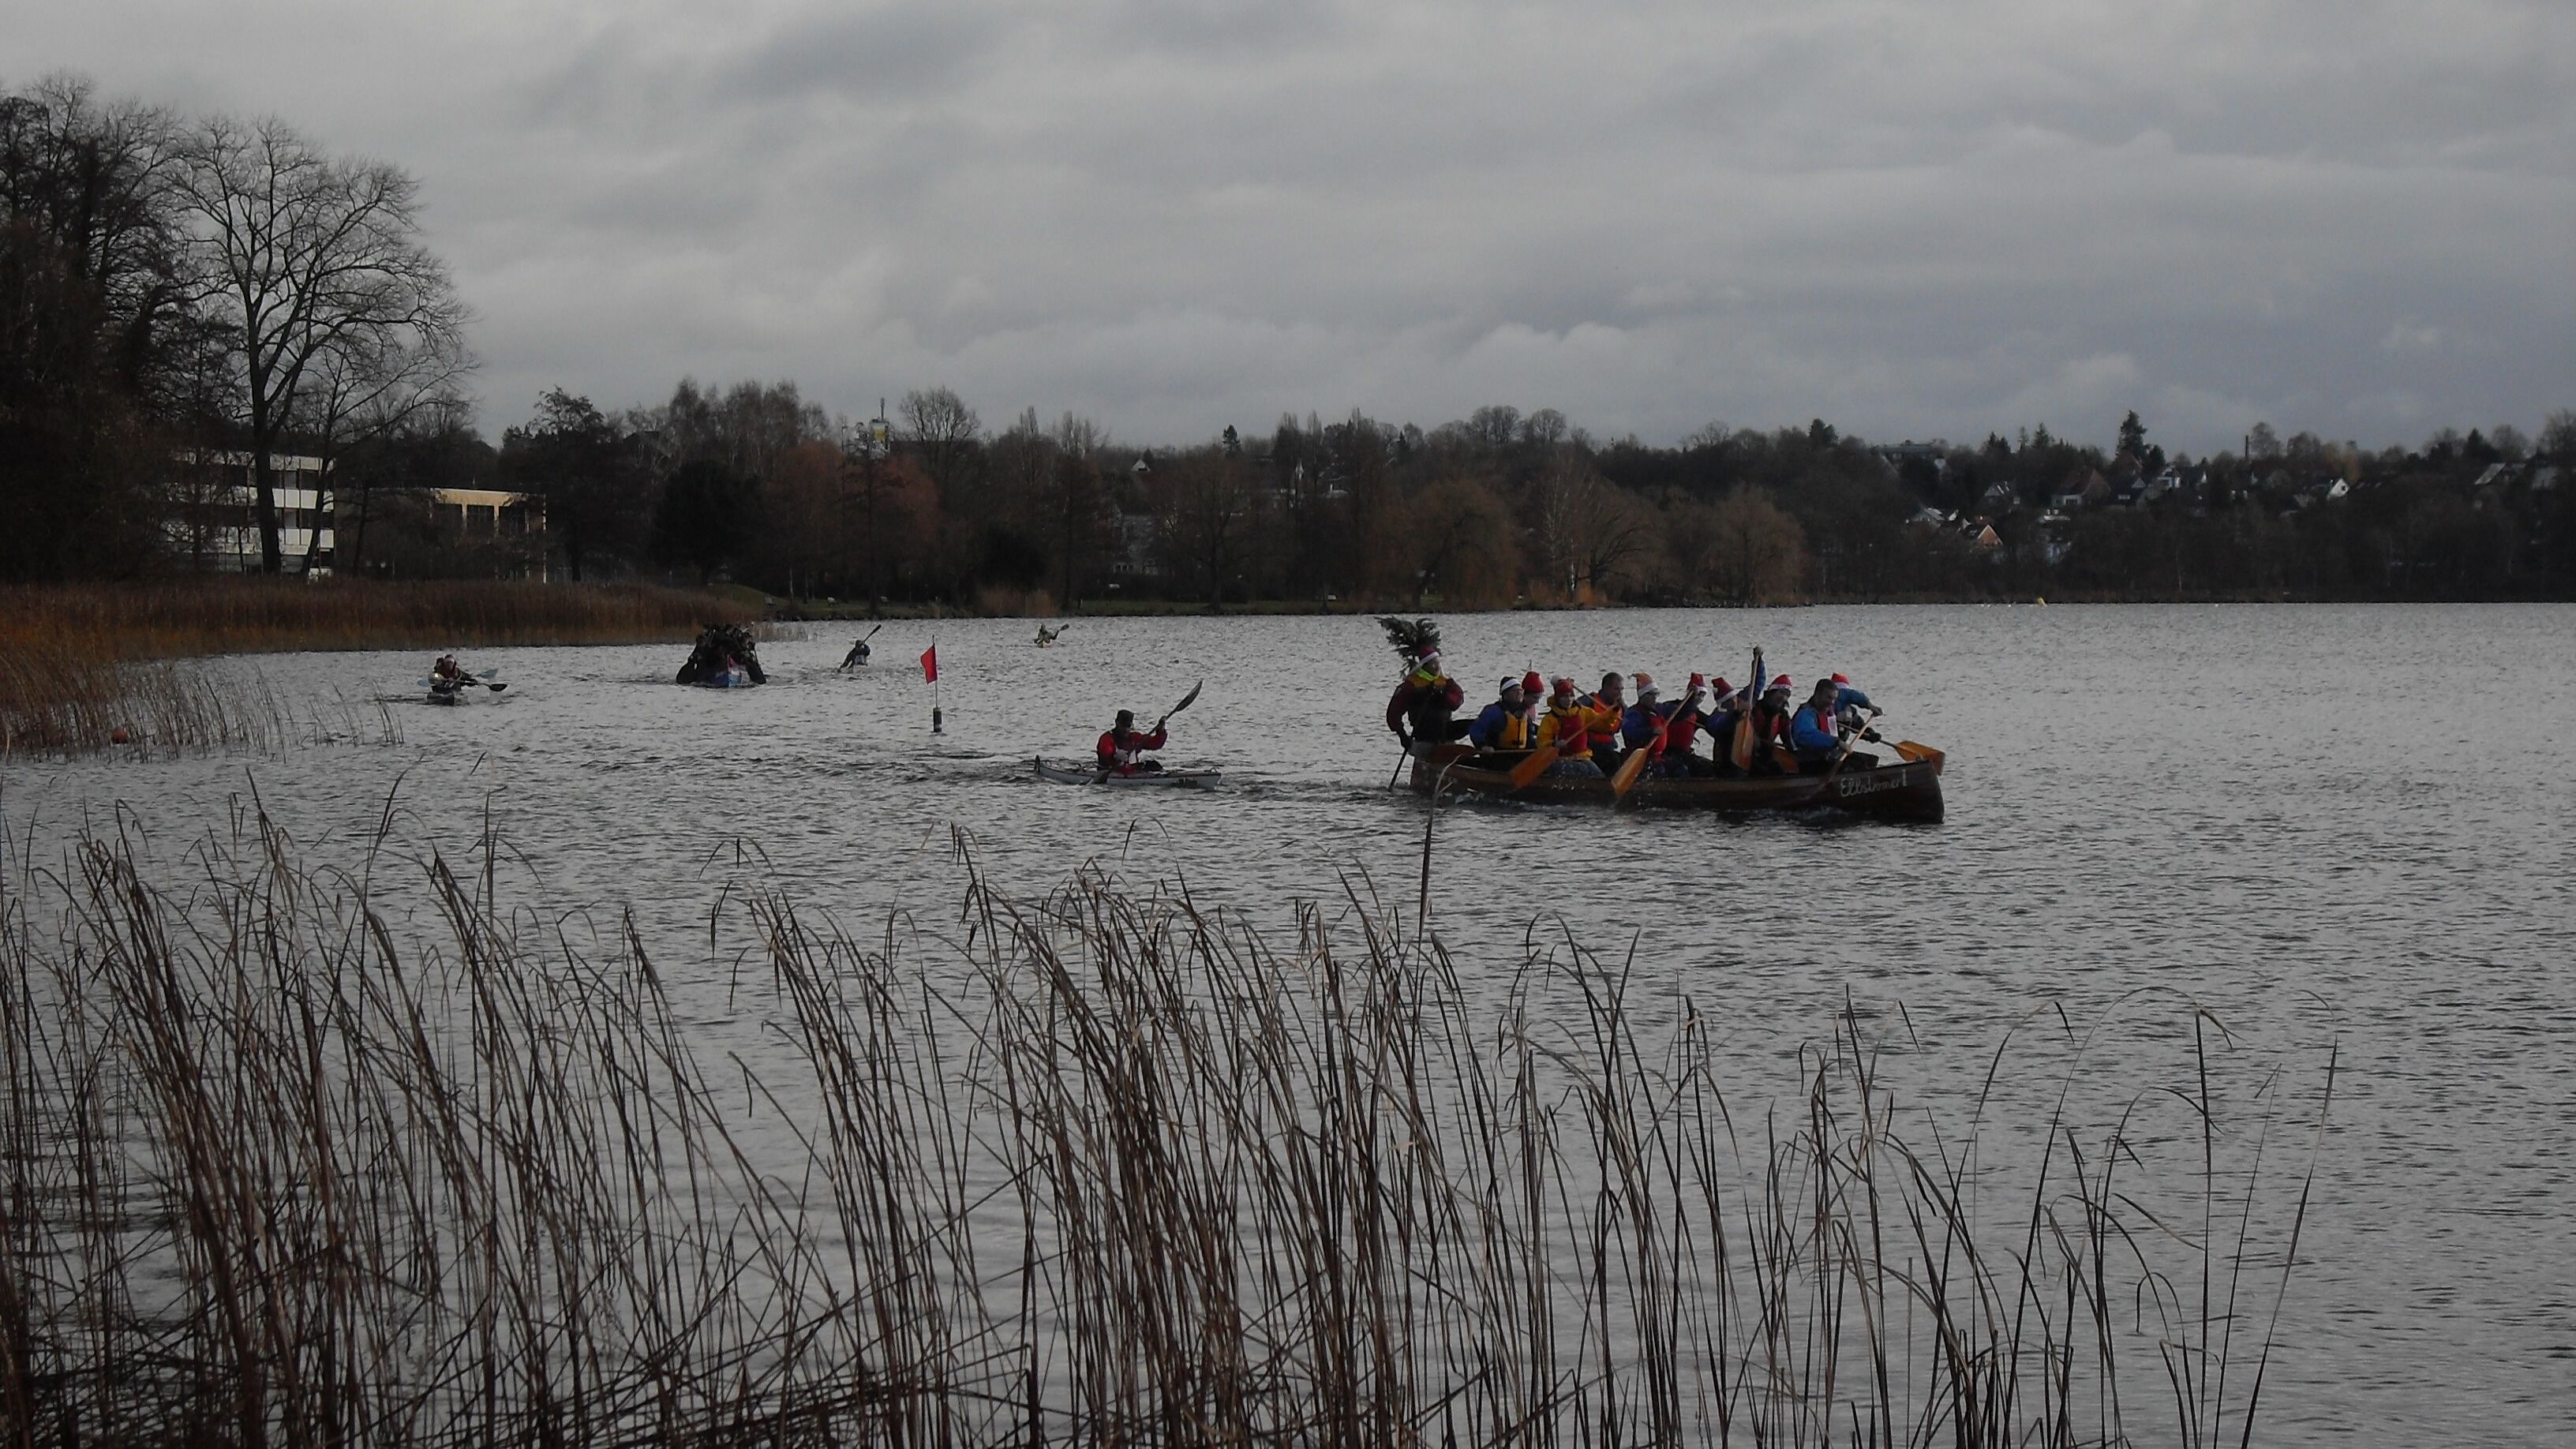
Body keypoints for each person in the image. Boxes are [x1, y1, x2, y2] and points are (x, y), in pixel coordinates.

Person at [1385, 647, 1470, 743]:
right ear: (1423, 666)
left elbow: (1457, 701)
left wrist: (1443, 696)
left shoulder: (1446, 682)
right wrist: (1402, 735)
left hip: (1444, 731)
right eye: (1433, 664)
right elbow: (1393, 713)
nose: (1437, 667)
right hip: (1423, 736)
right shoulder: (1411, 686)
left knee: (1473, 724)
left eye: (1438, 663)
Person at [1536, 677, 1607, 777]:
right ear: (1558, 698)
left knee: (1597, 774)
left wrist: (1613, 712)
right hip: (1559, 759)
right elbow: (1541, 743)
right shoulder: (1550, 719)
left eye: (1571, 696)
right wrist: (1555, 744)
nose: (1569, 700)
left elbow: (1603, 724)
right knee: (1578, 769)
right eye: (1564, 697)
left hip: (1582, 757)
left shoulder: (1583, 712)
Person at [1578, 671, 1630, 773]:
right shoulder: (1589, 701)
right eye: (1616, 689)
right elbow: (1573, 713)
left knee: (1624, 759)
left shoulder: (1622, 707)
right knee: (1613, 760)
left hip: (1609, 746)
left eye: (1622, 689)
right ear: (1605, 688)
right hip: (1590, 747)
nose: (1620, 693)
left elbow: (1628, 728)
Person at [1469, 676, 1537, 751]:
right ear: (1505, 694)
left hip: (1521, 754)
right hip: (1498, 755)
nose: (1519, 693)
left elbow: (1530, 737)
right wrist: (1482, 746)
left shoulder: (1525, 713)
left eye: (1520, 690)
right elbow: (1476, 730)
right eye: (1515, 690)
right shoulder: (1493, 711)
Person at [1095, 709, 1168, 776]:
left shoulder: (1135, 738)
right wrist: (1116, 756)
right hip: (1112, 770)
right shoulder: (1107, 739)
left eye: (1128, 726)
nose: (1126, 729)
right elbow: (1106, 756)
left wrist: (1161, 731)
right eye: (1123, 725)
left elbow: (1156, 744)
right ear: (1117, 723)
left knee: (1155, 765)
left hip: (1133, 771)